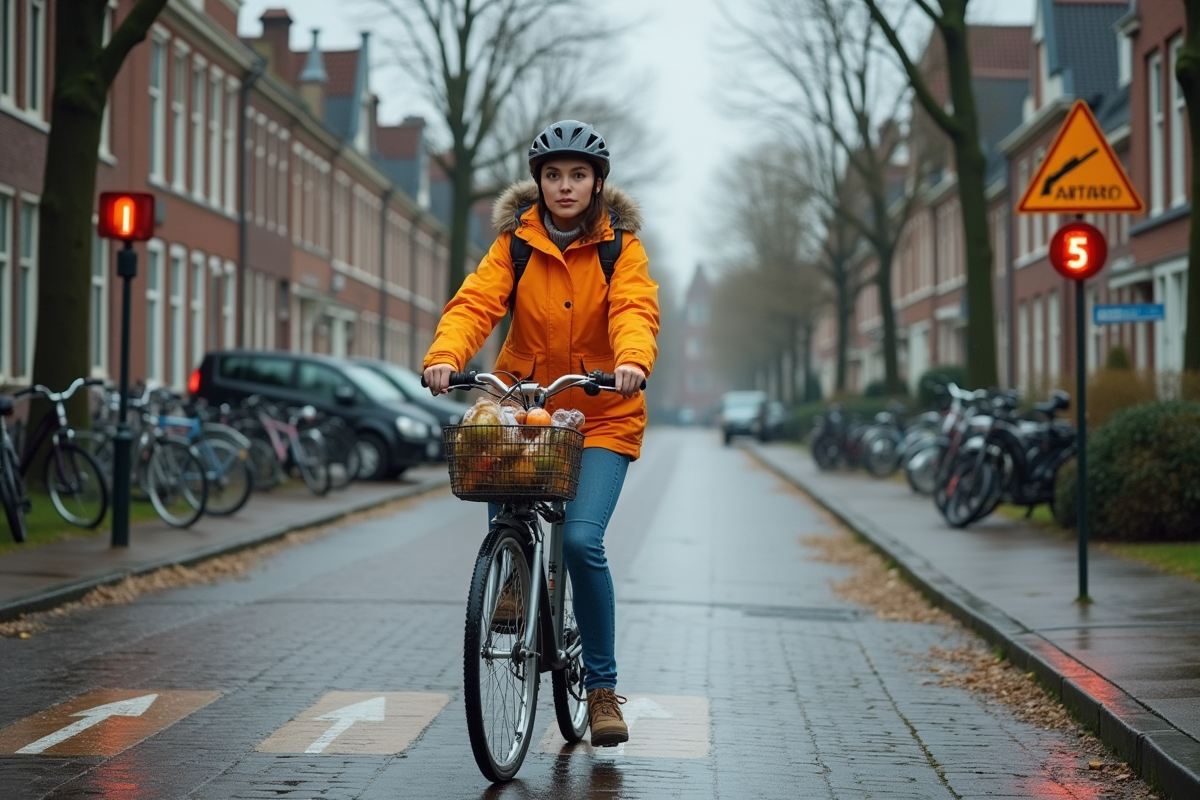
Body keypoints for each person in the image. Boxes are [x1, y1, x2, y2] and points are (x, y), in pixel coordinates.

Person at [423, 120, 660, 747]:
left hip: (604, 412)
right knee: (498, 479)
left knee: (582, 542)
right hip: (524, 404)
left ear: (597, 183)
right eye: (553, 175)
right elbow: (476, 302)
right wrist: (446, 354)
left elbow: (635, 308)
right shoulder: (515, 245)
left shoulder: (620, 249)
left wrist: (632, 360)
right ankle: (514, 577)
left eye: (578, 175)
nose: (565, 186)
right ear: (538, 182)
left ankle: (603, 689)